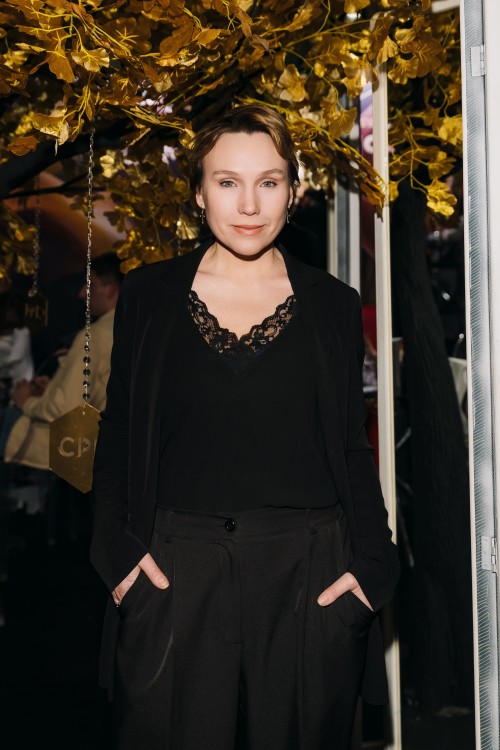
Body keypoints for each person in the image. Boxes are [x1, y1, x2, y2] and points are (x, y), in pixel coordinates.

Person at [90, 104, 400, 750]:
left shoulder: (332, 306)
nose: (250, 204)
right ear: (199, 192)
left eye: (269, 181)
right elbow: (118, 432)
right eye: (228, 181)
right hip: (173, 569)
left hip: (307, 574)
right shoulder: (148, 297)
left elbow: (351, 446)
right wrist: (116, 554)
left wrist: (374, 568)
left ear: (293, 191)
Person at [4, 253, 123, 470]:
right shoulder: (130, 331)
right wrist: (53, 389)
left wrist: (26, 401)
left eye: (90, 285)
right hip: (97, 456)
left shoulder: (95, 336)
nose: (82, 293)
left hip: (51, 455)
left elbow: (67, 410)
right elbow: (93, 394)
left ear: (111, 289)